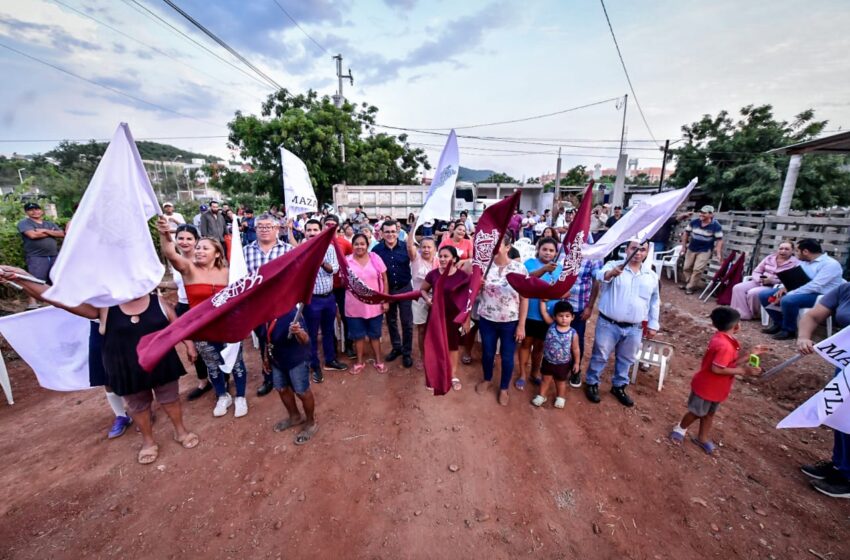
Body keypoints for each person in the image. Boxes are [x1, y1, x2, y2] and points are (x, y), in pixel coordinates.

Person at [1, 265, 198, 465]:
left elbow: (178, 327)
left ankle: (180, 431)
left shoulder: (159, 302)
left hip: (161, 363)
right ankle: (148, 441)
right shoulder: (104, 308)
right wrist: (22, 277)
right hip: (125, 368)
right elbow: (58, 299)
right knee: (138, 406)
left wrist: (189, 345)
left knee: (170, 398)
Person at [157, 218, 250, 418]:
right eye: (198, 248)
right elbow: (170, 253)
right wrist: (165, 235)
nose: (198, 251)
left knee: (236, 363)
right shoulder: (189, 270)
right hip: (203, 329)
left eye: (204, 248)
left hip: (229, 327)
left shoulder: (228, 272)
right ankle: (222, 396)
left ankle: (241, 397)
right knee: (212, 365)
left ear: (216, 253)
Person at [669, 306, 765, 454]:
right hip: (706, 387)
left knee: (709, 414)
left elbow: (727, 364)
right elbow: (717, 369)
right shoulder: (724, 345)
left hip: (716, 388)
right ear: (736, 326)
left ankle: (702, 438)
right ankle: (680, 429)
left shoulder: (725, 340)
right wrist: (743, 371)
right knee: (696, 412)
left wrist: (749, 354)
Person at [584, 239, 660, 407]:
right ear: (627, 249)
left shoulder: (651, 276)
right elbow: (599, 276)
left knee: (626, 359)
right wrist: (610, 274)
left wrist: (653, 324)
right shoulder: (614, 265)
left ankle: (619, 386)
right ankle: (591, 382)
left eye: (642, 250)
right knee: (600, 355)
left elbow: (654, 301)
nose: (638, 253)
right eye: (634, 248)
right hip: (608, 323)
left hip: (634, 327)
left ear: (647, 253)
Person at [797, 283, 850, 498]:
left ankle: (848, 478)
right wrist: (803, 337)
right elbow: (813, 316)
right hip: (845, 363)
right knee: (839, 412)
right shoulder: (845, 289)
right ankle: (840, 464)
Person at [157, 224, 211, 400]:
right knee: (192, 346)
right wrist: (163, 284)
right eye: (181, 238)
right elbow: (178, 283)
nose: (185, 242)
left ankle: (222, 379)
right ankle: (203, 380)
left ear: (196, 240)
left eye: (189, 238)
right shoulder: (176, 262)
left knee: (210, 343)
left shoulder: (203, 259)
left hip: (202, 307)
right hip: (183, 307)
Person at [243, 214, 294, 395]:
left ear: (277, 229)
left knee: (284, 340)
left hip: (282, 305)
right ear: (255, 230)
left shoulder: (288, 250)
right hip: (258, 308)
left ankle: (287, 376)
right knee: (265, 343)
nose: (264, 230)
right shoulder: (245, 252)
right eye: (260, 227)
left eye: (268, 227)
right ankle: (268, 378)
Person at [475, 234, 527, 406]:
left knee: (507, 357)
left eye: (498, 244)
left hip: (510, 321)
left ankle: (504, 388)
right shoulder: (484, 267)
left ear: (507, 247)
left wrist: (521, 325)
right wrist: (477, 286)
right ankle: (487, 379)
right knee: (488, 352)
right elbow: (473, 295)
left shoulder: (519, 269)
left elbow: (525, 298)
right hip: (487, 319)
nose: (493, 248)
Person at [760, 238, 845, 340]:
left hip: (820, 295)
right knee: (764, 295)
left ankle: (788, 330)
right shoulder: (803, 262)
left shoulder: (830, 264)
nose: (796, 254)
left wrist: (789, 293)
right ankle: (779, 324)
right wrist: (784, 287)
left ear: (805, 252)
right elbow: (794, 278)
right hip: (801, 291)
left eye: (797, 251)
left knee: (788, 300)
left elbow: (815, 285)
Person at [266, 305, 319, 445]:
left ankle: (310, 422)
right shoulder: (263, 312)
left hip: (296, 359)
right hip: (276, 358)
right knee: (281, 388)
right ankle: (295, 417)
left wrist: (298, 332)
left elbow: (306, 340)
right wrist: (265, 358)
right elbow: (264, 338)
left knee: (302, 391)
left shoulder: (292, 313)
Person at [302, 219, 347, 382]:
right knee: (312, 334)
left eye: (315, 229)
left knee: (329, 331)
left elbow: (333, 269)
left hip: (329, 297)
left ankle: (330, 360)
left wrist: (318, 258)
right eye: (309, 230)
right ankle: (314, 366)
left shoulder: (329, 249)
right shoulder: (300, 250)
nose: (312, 232)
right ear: (304, 231)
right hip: (311, 300)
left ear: (320, 231)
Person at [420, 246, 469, 391]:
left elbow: (467, 299)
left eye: (446, 256)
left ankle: (452, 375)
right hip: (436, 316)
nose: (442, 259)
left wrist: (466, 319)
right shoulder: (433, 274)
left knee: (453, 346)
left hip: (454, 317)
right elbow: (423, 290)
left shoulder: (461, 276)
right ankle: (434, 375)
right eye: (440, 256)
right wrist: (427, 299)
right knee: (434, 344)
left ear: (454, 259)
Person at [516, 237, 562, 390]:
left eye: (551, 250)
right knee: (525, 344)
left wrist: (553, 296)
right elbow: (525, 280)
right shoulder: (529, 263)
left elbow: (563, 291)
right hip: (529, 313)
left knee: (539, 347)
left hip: (547, 316)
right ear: (538, 249)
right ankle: (522, 374)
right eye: (545, 249)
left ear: (556, 253)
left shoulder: (559, 268)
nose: (548, 253)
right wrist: (543, 270)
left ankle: (534, 373)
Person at [372, 220, 415, 368]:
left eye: (393, 231)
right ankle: (397, 347)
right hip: (387, 291)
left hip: (405, 289)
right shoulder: (376, 251)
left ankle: (407, 352)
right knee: (391, 321)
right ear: (382, 233)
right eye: (387, 232)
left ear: (397, 232)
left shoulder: (406, 248)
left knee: (407, 322)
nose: (390, 234)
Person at [346, 233, 389, 374]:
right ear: (352, 246)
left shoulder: (375, 258)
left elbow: (384, 279)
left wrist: (385, 300)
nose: (359, 246)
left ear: (367, 244)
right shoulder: (346, 261)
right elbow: (343, 282)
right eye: (356, 244)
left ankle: (378, 361)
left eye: (362, 244)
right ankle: (359, 362)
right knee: (358, 336)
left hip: (374, 305)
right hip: (354, 306)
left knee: (375, 335)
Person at [730, 241, 798, 320]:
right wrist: (760, 279)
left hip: (774, 286)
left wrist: (772, 280)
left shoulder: (795, 262)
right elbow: (756, 271)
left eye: (787, 249)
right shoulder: (769, 258)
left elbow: (791, 279)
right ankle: (741, 313)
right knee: (738, 287)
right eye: (781, 248)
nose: (783, 251)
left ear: (792, 251)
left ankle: (755, 314)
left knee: (753, 292)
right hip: (759, 281)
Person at [532, 300, 580, 409]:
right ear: (554, 317)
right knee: (545, 379)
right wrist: (542, 302)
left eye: (567, 316)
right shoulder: (551, 325)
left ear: (572, 317)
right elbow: (544, 313)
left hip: (563, 363)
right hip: (548, 360)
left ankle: (560, 397)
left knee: (560, 381)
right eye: (561, 316)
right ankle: (541, 395)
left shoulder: (573, 333)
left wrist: (576, 363)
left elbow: (576, 349)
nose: (564, 318)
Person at [17, 202, 64, 310]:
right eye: (31, 210)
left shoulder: (48, 224)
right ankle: (32, 303)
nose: (34, 212)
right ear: (26, 212)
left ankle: (56, 301)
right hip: (36, 256)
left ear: (41, 211)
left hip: (53, 255)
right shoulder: (24, 223)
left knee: (56, 277)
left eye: (37, 209)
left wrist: (44, 231)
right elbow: (32, 235)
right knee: (34, 279)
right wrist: (51, 233)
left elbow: (62, 234)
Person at [564, 255, 602, 387]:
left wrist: (590, 306)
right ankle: (559, 368)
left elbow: (596, 281)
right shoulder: (562, 250)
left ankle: (575, 370)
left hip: (578, 307)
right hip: (558, 305)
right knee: (557, 337)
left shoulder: (594, 255)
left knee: (577, 339)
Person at [407, 229, 438, 368]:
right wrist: (414, 225)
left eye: (429, 247)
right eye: (423, 247)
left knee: (436, 329)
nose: (426, 249)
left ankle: (435, 354)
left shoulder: (440, 260)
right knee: (421, 329)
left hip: (436, 300)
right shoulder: (416, 259)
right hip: (419, 299)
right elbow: (409, 246)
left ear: (435, 249)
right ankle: (422, 356)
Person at [680, 205, 724, 295]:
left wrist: (718, 253)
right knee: (686, 267)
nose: (701, 214)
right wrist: (683, 247)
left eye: (704, 213)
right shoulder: (694, 222)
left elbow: (719, 240)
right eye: (700, 212)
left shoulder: (716, 226)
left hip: (705, 250)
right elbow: (686, 233)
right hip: (692, 248)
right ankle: (690, 283)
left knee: (697, 269)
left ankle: (690, 287)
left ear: (711, 215)